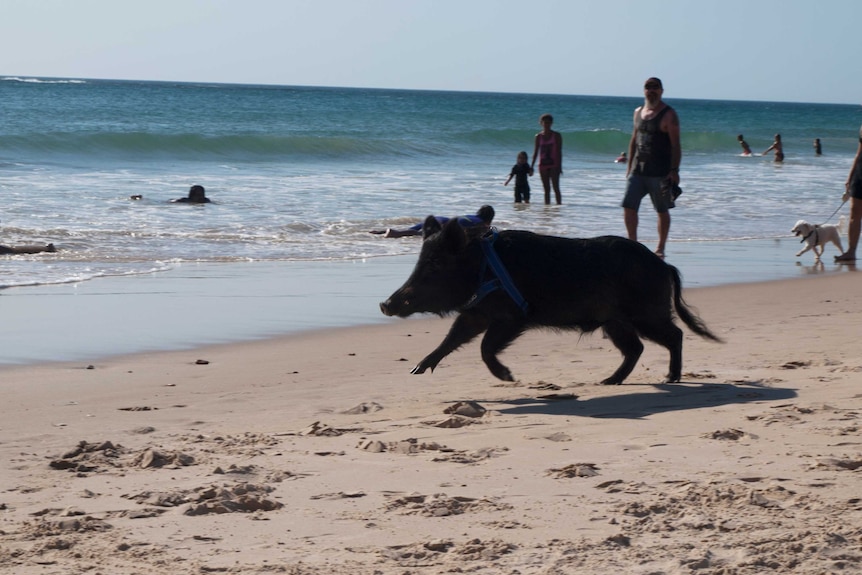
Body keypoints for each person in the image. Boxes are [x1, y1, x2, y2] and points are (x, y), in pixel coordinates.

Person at [622, 77, 681, 258]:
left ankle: (661, 247)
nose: (652, 91)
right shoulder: (638, 112)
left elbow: (676, 145)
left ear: (662, 91)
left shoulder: (669, 115)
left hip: (660, 172)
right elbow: (634, 139)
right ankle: (633, 244)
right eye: (648, 88)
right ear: (644, 91)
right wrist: (630, 165)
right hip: (638, 171)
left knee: (662, 210)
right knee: (628, 206)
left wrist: (674, 171)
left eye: (655, 88)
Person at [370, 205, 495, 238]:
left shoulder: (472, 217)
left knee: (413, 229)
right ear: (489, 218)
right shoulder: (480, 223)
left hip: (439, 218)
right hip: (443, 224)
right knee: (419, 234)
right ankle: (394, 233)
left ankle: (379, 232)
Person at [835, 127, 862, 263]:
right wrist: (850, 176)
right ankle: (851, 252)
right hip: (860, 173)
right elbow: (859, 153)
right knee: (854, 213)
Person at [530, 113, 563, 204]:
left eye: (548, 122)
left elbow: (559, 152)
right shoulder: (538, 137)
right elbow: (536, 152)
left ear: (552, 123)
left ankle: (558, 207)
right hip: (543, 165)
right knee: (546, 190)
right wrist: (532, 166)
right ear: (541, 123)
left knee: (556, 188)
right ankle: (547, 210)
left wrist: (559, 167)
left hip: (554, 164)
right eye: (544, 122)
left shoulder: (556, 135)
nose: (546, 124)